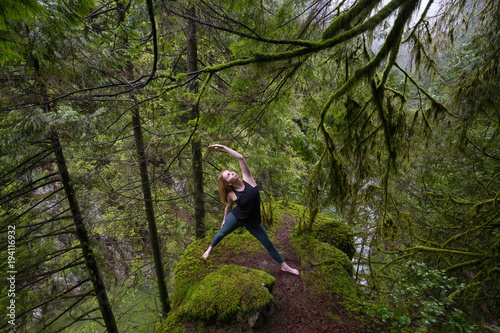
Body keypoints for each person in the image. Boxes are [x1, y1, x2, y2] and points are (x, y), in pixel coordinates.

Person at [202, 144, 299, 276]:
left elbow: (240, 158)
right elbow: (228, 207)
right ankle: (208, 250)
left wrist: (224, 147)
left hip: (252, 222)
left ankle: (284, 266)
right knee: (221, 233)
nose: (232, 173)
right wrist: (225, 219)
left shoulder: (248, 179)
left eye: (230, 171)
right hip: (237, 218)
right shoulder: (231, 194)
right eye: (229, 175)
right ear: (228, 183)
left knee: (268, 243)